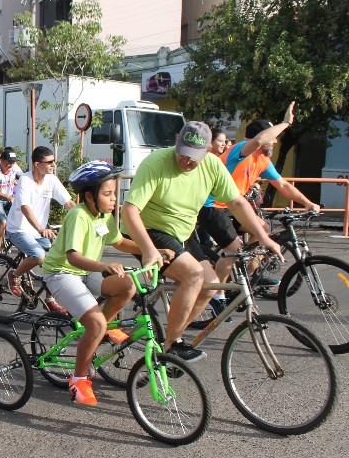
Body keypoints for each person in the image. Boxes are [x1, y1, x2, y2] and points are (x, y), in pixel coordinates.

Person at [121, 120, 282, 362]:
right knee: (193, 275)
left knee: (211, 286)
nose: (187, 160)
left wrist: (263, 237)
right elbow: (130, 210)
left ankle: (172, 338)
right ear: (177, 140)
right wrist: (148, 249)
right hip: (148, 229)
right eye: (183, 152)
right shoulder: (156, 163)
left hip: (182, 232)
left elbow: (236, 202)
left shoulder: (213, 165)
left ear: (208, 150)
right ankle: (173, 346)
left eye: (194, 156)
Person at [43, 161, 174, 406]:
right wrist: (104, 266)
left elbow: (120, 242)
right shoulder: (78, 215)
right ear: (89, 196)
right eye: (108, 194)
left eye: (114, 193)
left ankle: (104, 327)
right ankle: (79, 379)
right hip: (62, 273)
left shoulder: (103, 216)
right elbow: (73, 257)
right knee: (95, 324)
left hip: (86, 271)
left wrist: (153, 250)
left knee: (128, 286)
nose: (114, 199)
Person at [198, 101, 319, 287]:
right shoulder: (240, 149)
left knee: (263, 228)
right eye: (273, 137)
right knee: (234, 250)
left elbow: (282, 185)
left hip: (233, 207)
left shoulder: (263, 160)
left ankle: (247, 276)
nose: (275, 141)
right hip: (212, 206)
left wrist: (308, 203)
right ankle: (217, 295)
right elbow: (258, 141)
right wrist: (286, 123)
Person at [4, 146, 75, 313]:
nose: (53, 165)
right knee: (38, 255)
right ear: (36, 164)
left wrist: (86, 217)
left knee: (56, 261)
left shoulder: (51, 180)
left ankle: (50, 299)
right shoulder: (25, 180)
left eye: (54, 161)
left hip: (38, 231)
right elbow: (25, 207)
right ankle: (14, 275)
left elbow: (68, 203)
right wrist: (41, 229)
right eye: (49, 162)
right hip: (18, 229)